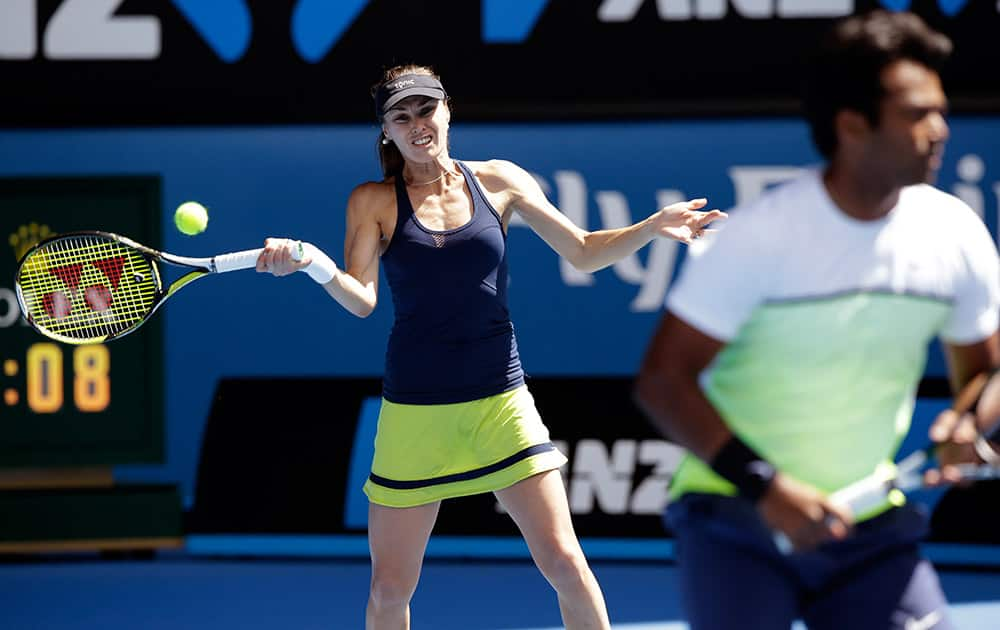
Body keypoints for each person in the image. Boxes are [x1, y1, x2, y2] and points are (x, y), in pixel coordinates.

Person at [256, 64, 724, 630]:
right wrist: (314, 265)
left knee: (566, 563)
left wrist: (650, 226)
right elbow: (360, 300)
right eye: (400, 117)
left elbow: (581, 250)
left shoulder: (500, 180)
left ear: (447, 109)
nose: (417, 124)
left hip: (501, 402)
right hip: (414, 413)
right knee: (388, 591)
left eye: (425, 109)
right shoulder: (372, 200)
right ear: (386, 132)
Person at [634, 10, 1000, 630]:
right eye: (916, 114)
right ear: (853, 125)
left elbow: (987, 372)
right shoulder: (760, 236)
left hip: (872, 529)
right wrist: (769, 490)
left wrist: (969, 422)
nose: (940, 129)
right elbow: (663, 384)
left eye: (940, 109)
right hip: (735, 521)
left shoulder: (954, 231)